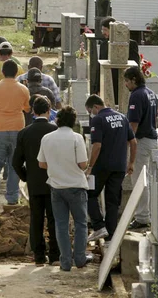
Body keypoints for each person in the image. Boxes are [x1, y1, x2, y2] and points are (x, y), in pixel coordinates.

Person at [37, 106, 90, 271]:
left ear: (57, 120)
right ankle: (80, 258)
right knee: (81, 223)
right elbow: (82, 164)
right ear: (73, 122)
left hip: (56, 186)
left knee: (61, 225)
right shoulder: (76, 138)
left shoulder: (46, 138)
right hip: (75, 185)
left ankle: (65, 261)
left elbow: (42, 163)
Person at [12, 96, 59, 266]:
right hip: (54, 181)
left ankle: (39, 255)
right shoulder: (55, 130)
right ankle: (55, 255)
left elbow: (15, 161)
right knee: (54, 219)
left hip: (34, 181)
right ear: (49, 110)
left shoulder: (24, 132)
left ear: (33, 111)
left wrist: (26, 176)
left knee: (36, 219)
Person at [85, 95, 136, 244]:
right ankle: (110, 237)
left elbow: (97, 145)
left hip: (102, 166)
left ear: (95, 107)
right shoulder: (122, 118)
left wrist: (90, 166)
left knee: (89, 194)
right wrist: (131, 162)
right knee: (113, 201)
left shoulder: (98, 119)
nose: (91, 114)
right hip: (119, 167)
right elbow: (133, 141)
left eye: (90, 111)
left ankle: (99, 226)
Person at [0, 60, 30, 204]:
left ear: (3, 72)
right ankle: (12, 197)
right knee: (15, 164)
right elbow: (27, 109)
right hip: (18, 129)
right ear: (17, 73)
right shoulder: (23, 89)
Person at [123, 66, 158, 230]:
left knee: (139, 180)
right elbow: (155, 118)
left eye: (126, 81)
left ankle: (143, 217)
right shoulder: (151, 93)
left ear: (133, 80)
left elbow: (133, 124)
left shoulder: (136, 95)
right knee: (148, 179)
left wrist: (128, 143)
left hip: (141, 141)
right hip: (152, 139)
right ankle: (147, 213)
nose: (125, 84)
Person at [100, 17, 140, 98]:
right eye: (102, 30)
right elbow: (100, 67)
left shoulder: (131, 44)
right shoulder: (104, 45)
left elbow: (135, 65)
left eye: (105, 30)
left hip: (125, 83)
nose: (103, 32)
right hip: (108, 82)